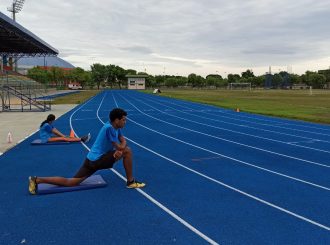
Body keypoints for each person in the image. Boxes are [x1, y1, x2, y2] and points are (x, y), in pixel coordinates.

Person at [29, 108, 145, 194]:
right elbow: (120, 146)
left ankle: (37, 179)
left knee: (71, 182)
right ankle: (130, 182)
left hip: (90, 159)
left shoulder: (114, 126)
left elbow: (121, 140)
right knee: (127, 151)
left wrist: (120, 148)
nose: (125, 122)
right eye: (124, 120)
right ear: (116, 120)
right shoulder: (109, 128)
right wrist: (121, 148)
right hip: (98, 160)